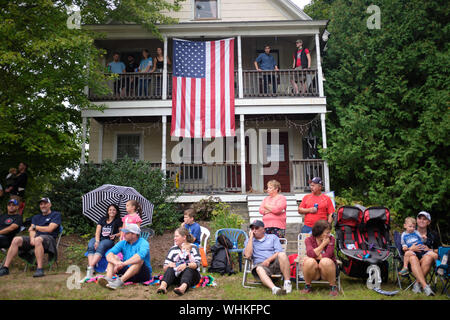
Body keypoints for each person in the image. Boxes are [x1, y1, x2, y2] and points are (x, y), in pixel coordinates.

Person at [0, 197, 61, 278]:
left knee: (38, 239)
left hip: (49, 239)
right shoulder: (36, 217)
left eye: (45, 203)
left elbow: (50, 229)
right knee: (16, 239)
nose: (43, 206)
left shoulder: (56, 215)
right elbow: (31, 230)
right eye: (41, 204)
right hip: (35, 238)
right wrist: (32, 238)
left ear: (50, 205)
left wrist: (35, 227)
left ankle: (39, 269)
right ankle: (5, 268)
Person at [243, 220, 292, 295]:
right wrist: (250, 238)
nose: (254, 230)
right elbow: (247, 255)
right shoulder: (249, 241)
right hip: (260, 265)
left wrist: (269, 260)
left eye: (256, 228)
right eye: (252, 228)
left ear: (263, 229)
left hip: (274, 262)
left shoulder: (272, 237)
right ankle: (274, 289)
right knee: (259, 268)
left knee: (282, 255)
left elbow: (278, 251)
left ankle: (287, 283)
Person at [98, 224, 152, 290]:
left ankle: (119, 282)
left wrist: (123, 264)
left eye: (126, 233)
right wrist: (116, 262)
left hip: (142, 274)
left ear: (134, 234)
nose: (124, 234)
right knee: (114, 257)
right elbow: (108, 254)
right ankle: (108, 279)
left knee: (139, 261)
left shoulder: (144, 243)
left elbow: (140, 256)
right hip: (128, 272)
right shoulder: (123, 243)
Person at [80, 204, 123, 282]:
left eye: (114, 210)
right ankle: (91, 269)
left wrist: (115, 235)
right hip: (99, 238)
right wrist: (97, 241)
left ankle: (90, 268)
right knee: (91, 245)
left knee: (101, 245)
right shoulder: (102, 219)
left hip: (108, 240)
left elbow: (121, 232)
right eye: (110, 210)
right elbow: (97, 231)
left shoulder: (118, 221)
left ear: (116, 212)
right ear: (108, 211)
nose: (112, 211)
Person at [156, 227, 202, 296]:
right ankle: (163, 287)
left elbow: (197, 264)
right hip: (177, 276)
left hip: (192, 276)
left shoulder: (193, 247)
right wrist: (169, 265)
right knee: (170, 268)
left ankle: (182, 288)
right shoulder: (173, 249)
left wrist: (186, 265)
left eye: (177, 236)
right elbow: (165, 268)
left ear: (184, 237)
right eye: (174, 236)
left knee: (189, 268)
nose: (174, 238)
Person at [301, 220, 338, 296]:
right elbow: (310, 253)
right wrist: (323, 245)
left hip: (328, 270)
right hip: (314, 272)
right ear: (319, 232)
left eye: (329, 232)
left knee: (325, 261)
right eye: (327, 232)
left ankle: (333, 287)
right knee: (309, 262)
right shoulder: (309, 240)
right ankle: (307, 286)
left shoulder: (331, 239)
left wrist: (314, 256)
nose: (329, 234)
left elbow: (328, 255)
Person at [407, 211, 440, 296]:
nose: (421, 220)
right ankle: (425, 286)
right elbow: (402, 249)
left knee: (428, 257)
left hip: (426, 260)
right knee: (412, 258)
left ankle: (417, 284)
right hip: (412, 261)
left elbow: (437, 250)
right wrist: (410, 248)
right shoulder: (409, 232)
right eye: (419, 218)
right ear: (416, 220)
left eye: (424, 219)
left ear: (428, 222)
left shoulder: (433, 235)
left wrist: (430, 249)